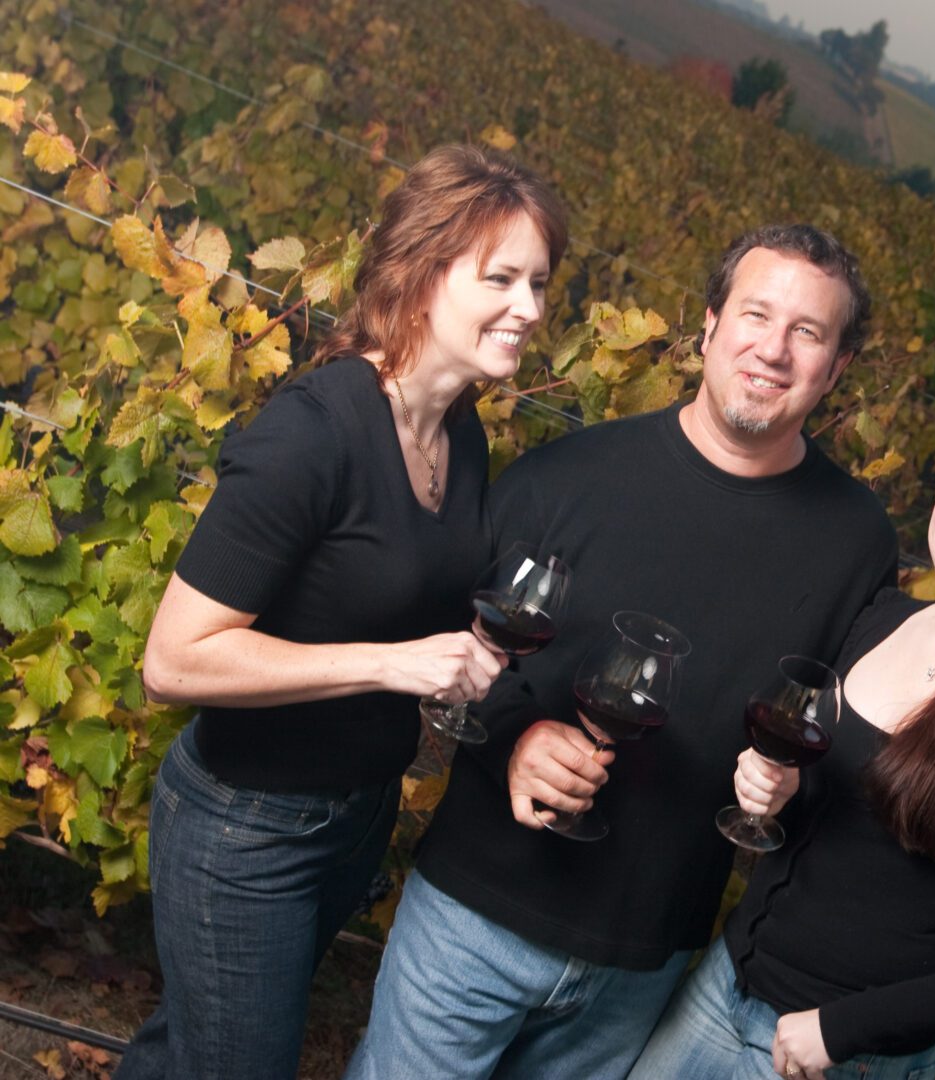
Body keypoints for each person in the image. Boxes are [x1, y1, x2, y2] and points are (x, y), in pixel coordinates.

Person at [346, 224, 899, 1080]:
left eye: (808, 333)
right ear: (709, 326)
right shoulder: (569, 476)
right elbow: (461, 642)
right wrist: (520, 735)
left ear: (837, 368)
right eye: (756, 315)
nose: (774, 350)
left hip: (643, 964)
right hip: (475, 917)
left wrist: (793, 783)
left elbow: (845, 732)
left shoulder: (857, 541)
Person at [115, 144, 568, 1080]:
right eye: (504, 279)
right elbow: (173, 661)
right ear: (419, 273)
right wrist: (391, 663)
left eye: (539, 282)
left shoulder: (459, 431)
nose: (531, 308)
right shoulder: (310, 434)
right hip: (245, 829)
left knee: (185, 1053)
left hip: (351, 818)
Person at [632, 407, 935, 1080]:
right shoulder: (882, 617)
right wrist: (779, 790)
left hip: (839, 1056)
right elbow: (844, 819)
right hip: (725, 986)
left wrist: (842, 1031)